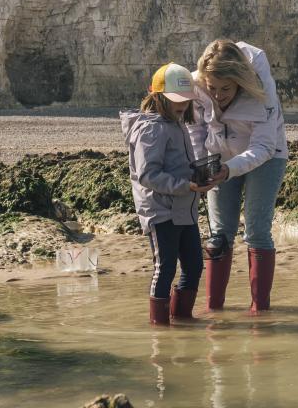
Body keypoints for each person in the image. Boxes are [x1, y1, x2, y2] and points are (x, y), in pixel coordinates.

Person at [188, 40, 288, 313]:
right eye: (212, 88)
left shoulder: (261, 88)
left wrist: (230, 170)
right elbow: (195, 129)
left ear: (240, 83)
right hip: (220, 155)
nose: (218, 96)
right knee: (219, 234)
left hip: (267, 156)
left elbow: (264, 147)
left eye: (226, 89)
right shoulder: (196, 85)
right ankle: (213, 309)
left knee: (256, 231)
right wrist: (202, 165)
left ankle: (260, 311)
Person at [120, 63, 214, 325]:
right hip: (161, 211)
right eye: (176, 100)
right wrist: (186, 185)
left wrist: (198, 176)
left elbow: (179, 163)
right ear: (157, 96)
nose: (182, 105)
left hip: (185, 207)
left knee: (194, 266)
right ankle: (159, 327)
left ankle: (183, 320)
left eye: (186, 100)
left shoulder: (175, 123)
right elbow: (148, 175)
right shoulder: (150, 128)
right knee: (166, 269)